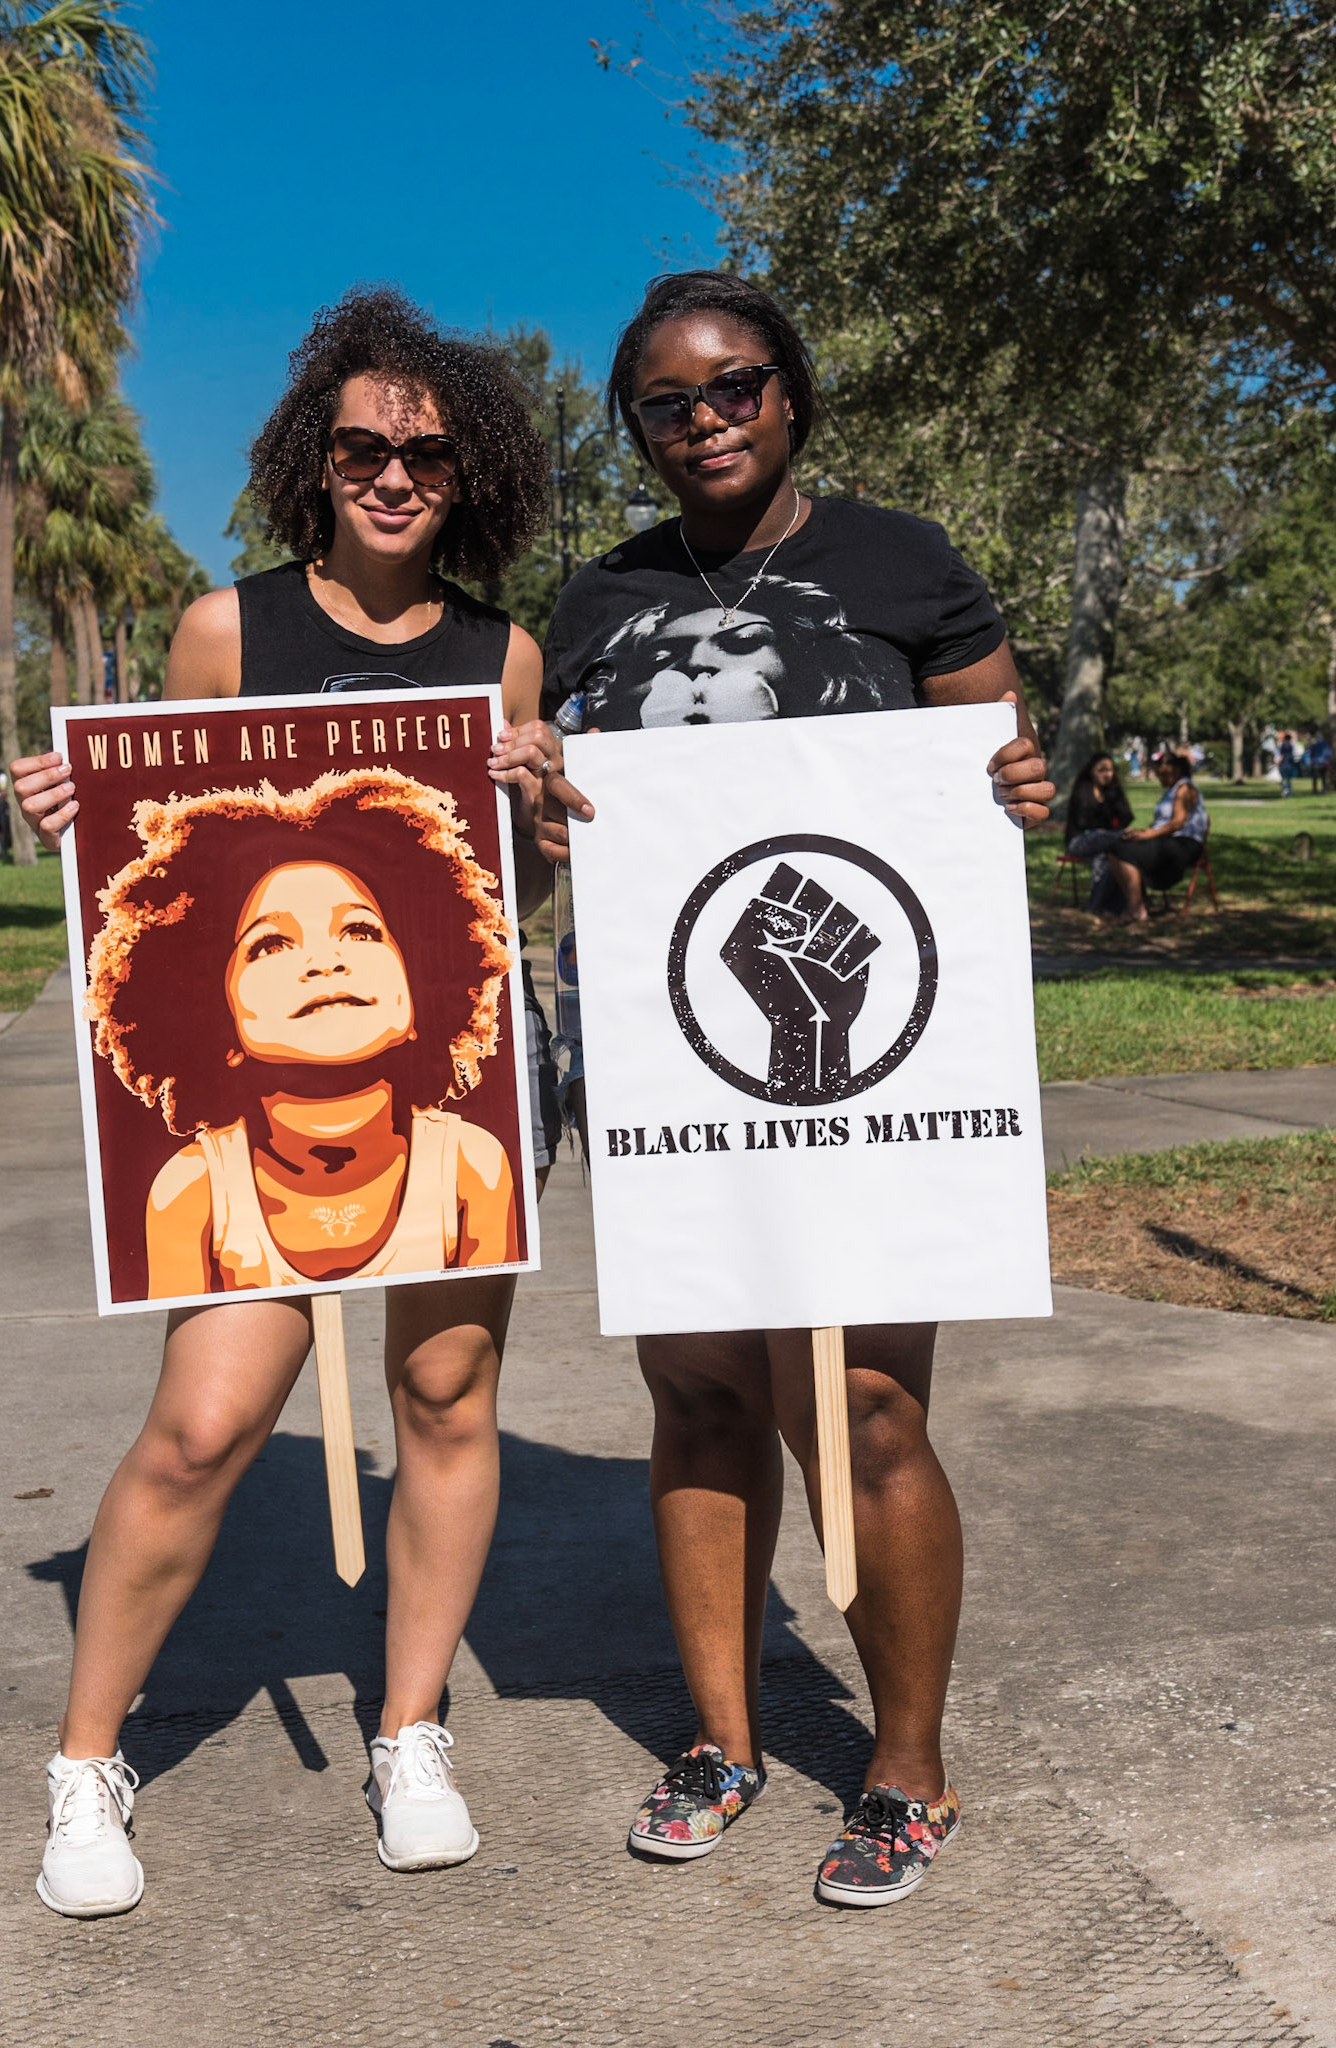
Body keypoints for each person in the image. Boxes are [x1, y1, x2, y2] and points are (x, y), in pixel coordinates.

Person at [491, 270, 1052, 1908]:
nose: (704, 418)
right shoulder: (593, 602)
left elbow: (988, 779)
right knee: (703, 1401)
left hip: (876, 1066)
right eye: (667, 401)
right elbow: (555, 814)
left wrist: (1017, 776)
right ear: (638, 429)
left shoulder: (903, 562)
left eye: (733, 385)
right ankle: (724, 1741)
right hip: (673, 1059)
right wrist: (538, 809)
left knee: (865, 1408)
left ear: (790, 393)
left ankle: (905, 1767)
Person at [9, 286, 552, 1915]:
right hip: (247, 1127)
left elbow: (504, 893)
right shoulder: (223, 629)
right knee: (202, 1423)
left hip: (452, 1095)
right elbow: (156, 847)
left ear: (471, 474)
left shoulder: (501, 650)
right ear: (312, 461)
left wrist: (545, 803)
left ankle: (409, 1731)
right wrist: (65, 799)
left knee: (446, 1404)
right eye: (363, 447)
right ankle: (86, 1759)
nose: (395, 473)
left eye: (428, 453)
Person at [83, 776, 519, 1298]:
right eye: (270, 945)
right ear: (209, 1009)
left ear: (419, 981)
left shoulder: (473, 1166)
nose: (324, 961)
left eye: (359, 932)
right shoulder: (191, 1190)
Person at [1107, 751, 1209, 922]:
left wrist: (1145, 836)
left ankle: (1136, 908)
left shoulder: (1185, 788)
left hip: (1184, 843)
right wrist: (1141, 833)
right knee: (1116, 847)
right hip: (1167, 840)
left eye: (1162, 774)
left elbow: (1177, 823)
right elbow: (1161, 824)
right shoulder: (1173, 789)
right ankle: (1140, 902)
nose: (1160, 778)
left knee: (1123, 851)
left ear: (1173, 771)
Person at [1063, 752, 1133, 915]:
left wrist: (1115, 796)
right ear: (1091, 771)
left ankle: (1104, 907)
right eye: (1101, 770)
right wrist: (1103, 830)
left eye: (1109, 770)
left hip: (1105, 844)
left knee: (1110, 859)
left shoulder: (1112, 791)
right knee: (1124, 837)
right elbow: (1081, 822)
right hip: (1079, 841)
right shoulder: (1083, 789)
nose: (1106, 774)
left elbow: (1126, 816)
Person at [1279, 732, 1296, 797]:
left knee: (1282, 779)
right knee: (1289, 780)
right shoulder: (1291, 746)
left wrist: (1277, 764)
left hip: (1283, 764)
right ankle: (1289, 793)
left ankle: (1285, 789)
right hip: (1290, 765)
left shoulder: (1283, 745)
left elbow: (1281, 755)